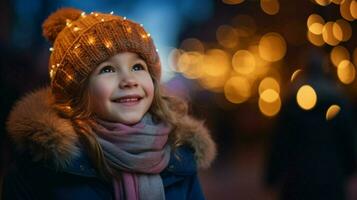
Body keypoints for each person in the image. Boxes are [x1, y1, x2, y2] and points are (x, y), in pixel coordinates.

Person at [1, 7, 216, 200]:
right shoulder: (43, 167)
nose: (129, 80)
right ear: (77, 91)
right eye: (107, 70)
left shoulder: (179, 154)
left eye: (138, 67)